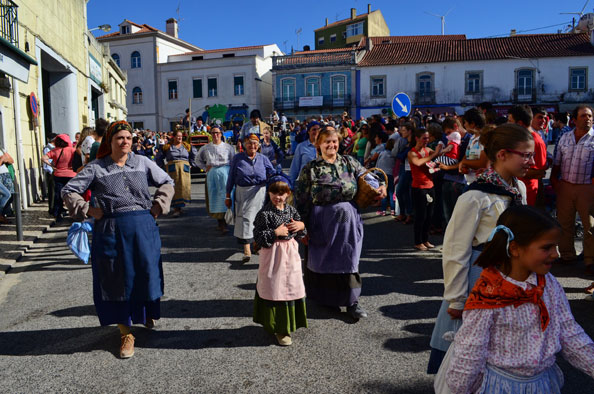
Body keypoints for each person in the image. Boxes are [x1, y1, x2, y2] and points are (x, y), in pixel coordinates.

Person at [445, 205, 594, 393]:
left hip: (541, 384)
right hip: (500, 386)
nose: (556, 254)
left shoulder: (549, 284)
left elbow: (569, 333)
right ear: (515, 248)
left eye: (556, 246)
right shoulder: (489, 294)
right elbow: (471, 349)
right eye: (547, 247)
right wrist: (459, 388)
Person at [61, 120, 174, 359]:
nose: (125, 142)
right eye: (120, 138)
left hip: (143, 227)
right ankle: (126, 332)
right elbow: (68, 190)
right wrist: (87, 209)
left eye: (129, 138)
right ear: (110, 142)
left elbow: (167, 181)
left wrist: (158, 205)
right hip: (111, 229)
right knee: (116, 279)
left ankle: (145, 314)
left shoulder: (143, 162)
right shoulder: (97, 167)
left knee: (146, 273)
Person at [428, 123, 531, 374]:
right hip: (479, 278)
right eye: (526, 155)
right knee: (469, 351)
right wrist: (457, 298)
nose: (532, 160)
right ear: (502, 155)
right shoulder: (475, 196)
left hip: (510, 277)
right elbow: (455, 250)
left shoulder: (519, 189)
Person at [295, 126, 386, 320]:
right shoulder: (310, 168)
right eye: (327, 141)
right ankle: (326, 299)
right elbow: (301, 198)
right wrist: (302, 228)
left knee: (348, 258)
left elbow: (369, 177)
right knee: (323, 259)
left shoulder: (349, 162)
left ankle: (352, 302)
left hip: (347, 220)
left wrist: (381, 185)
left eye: (334, 141)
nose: (331, 145)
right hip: (321, 221)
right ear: (318, 144)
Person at [253, 174, 307, 346]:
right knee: (274, 286)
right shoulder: (264, 214)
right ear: (268, 193)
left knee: (291, 285)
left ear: (288, 194)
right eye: (274, 192)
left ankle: (288, 325)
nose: (278, 197)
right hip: (273, 255)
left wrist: (301, 226)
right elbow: (258, 238)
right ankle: (278, 327)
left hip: (290, 254)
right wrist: (275, 233)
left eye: (282, 193)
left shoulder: (291, 210)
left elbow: (301, 231)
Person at [550, 104, 594, 274]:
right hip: (566, 185)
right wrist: (554, 180)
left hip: (587, 188)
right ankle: (567, 255)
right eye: (583, 116)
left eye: (589, 116)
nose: (587, 119)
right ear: (574, 120)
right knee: (564, 223)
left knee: (590, 225)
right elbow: (557, 162)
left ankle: (590, 260)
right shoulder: (565, 138)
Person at [225, 134, 275, 263]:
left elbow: (272, 172)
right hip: (243, 192)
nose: (252, 146)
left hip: (259, 192)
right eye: (249, 143)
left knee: (259, 219)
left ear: (258, 146)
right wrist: (227, 195)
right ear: (244, 145)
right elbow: (230, 178)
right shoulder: (238, 158)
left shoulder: (263, 158)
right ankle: (246, 249)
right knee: (245, 219)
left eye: (255, 143)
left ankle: (256, 245)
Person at [196, 127, 235, 233]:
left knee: (226, 196)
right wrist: (205, 168)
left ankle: (226, 222)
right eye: (213, 133)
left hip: (225, 174)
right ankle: (220, 222)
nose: (215, 135)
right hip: (212, 174)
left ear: (221, 134)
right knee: (215, 197)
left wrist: (231, 172)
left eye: (217, 133)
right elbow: (197, 160)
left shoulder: (228, 147)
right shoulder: (206, 148)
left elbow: (233, 160)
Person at [508, 105, 548, 206]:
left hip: (528, 193)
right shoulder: (518, 138)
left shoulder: (536, 141)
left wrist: (510, 170)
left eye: (510, 121)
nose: (508, 124)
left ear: (519, 123)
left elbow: (539, 172)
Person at [408, 128, 440, 250]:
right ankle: (418, 241)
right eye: (424, 138)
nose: (426, 141)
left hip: (430, 186)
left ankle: (425, 240)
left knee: (429, 216)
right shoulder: (412, 153)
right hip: (418, 188)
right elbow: (418, 162)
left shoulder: (428, 150)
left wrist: (445, 149)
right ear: (417, 138)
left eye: (428, 138)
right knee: (420, 216)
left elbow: (438, 153)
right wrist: (434, 154)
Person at [156, 130, 198, 217]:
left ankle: (180, 207)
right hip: (172, 169)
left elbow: (194, 156)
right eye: (178, 136)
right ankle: (176, 209)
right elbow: (159, 157)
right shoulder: (167, 147)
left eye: (181, 136)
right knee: (174, 187)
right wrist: (163, 167)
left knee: (183, 187)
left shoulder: (187, 146)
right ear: (173, 137)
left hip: (184, 169)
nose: (180, 138)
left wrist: (191, 164)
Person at [41, 134, 77, 221]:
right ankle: (74, 213)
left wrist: (52, 165)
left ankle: (57, 214)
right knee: (72, 195)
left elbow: (43, 158)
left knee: (58, 195)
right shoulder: (72, 150)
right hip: (71, 175)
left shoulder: (54, 151)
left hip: (58, 175)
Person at [459, 108, 488, 184]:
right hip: (470, 182)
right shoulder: (472, 138)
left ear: (472, 124)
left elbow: (483, 163)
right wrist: (464, 166)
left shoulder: (484, 139)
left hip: (481, 184)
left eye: (465, 122)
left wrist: (464, 162)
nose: (464, 125)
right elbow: (467, 156)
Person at [394, 123, 414, 224]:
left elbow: (401, 156)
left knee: (400, 191)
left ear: (410, 131)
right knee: (405, 192)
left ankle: (407, 213)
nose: (402, 132)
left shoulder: (412, 143)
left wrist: (402, 153)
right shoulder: (405, 142)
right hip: (403, 167)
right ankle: (405, 213)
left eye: (404, 130)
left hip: (409, 169)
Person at [42, 134, 57, 214]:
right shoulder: (47, 148)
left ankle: (55, 207)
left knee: (55, 191)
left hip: (53, 171)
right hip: (51, 172)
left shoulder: (53, 148)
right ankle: (52, 209)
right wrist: (52, 170)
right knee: (52, 191)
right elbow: (47, 161)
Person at [0, 148, 14, 224]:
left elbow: (11, 160)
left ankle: (2, 215)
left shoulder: (2, 149)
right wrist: (2, 159)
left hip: (6, 174)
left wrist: (5, 159)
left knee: (10, 195)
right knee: (6, 194)